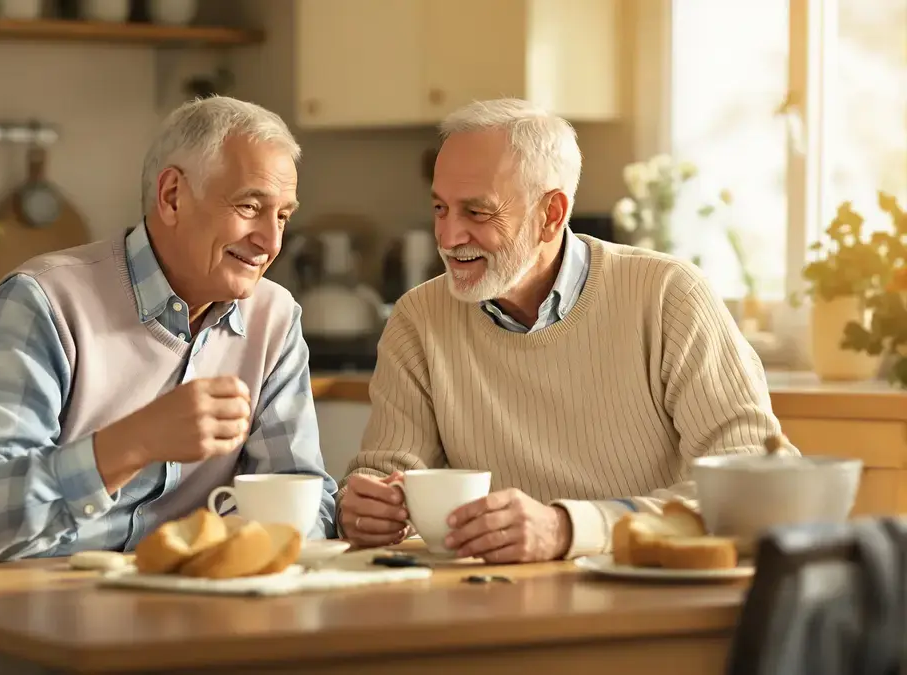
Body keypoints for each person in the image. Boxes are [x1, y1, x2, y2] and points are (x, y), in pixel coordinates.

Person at [337, 98, 789, 563]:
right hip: (492, 600)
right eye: (439, 207)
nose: (448, 237)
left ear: (551, 214)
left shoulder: (668, 296)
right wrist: (366, 506)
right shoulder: (418, 318)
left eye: (477, 212)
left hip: (649, 597)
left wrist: (569, 528)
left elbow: (754, 487)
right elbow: (389, 473)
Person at [0, 95, 337, 566]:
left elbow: (305, 500)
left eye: (282, 216)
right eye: (249, 206)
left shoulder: (274, 319)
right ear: (172, 196)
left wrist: (341, 515)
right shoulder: (41, 301)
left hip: (160, 613)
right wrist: (135, 441)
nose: (271, 242)